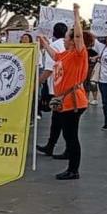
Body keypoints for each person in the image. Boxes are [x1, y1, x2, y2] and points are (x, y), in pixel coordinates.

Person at [38, 5, 91, 180]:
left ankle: (73, 170)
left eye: (68, 38)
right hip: (64, 100)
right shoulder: (66, 54)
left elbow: (78, 35)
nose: (66, 40)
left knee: (71, 135)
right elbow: (54, 56)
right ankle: (70, 161)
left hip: (73, 100)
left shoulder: (78, 54)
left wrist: (76, 15)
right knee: (68, 134)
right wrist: (44, 42)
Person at [36, 23, 70, 159]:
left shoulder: (56, 46)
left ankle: (63, 148)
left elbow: (49, 69)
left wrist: (37, 82)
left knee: (62, 120)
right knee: (58, 119)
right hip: (64, 86)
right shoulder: (64, 45)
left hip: (58, 88)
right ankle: (51, 145)